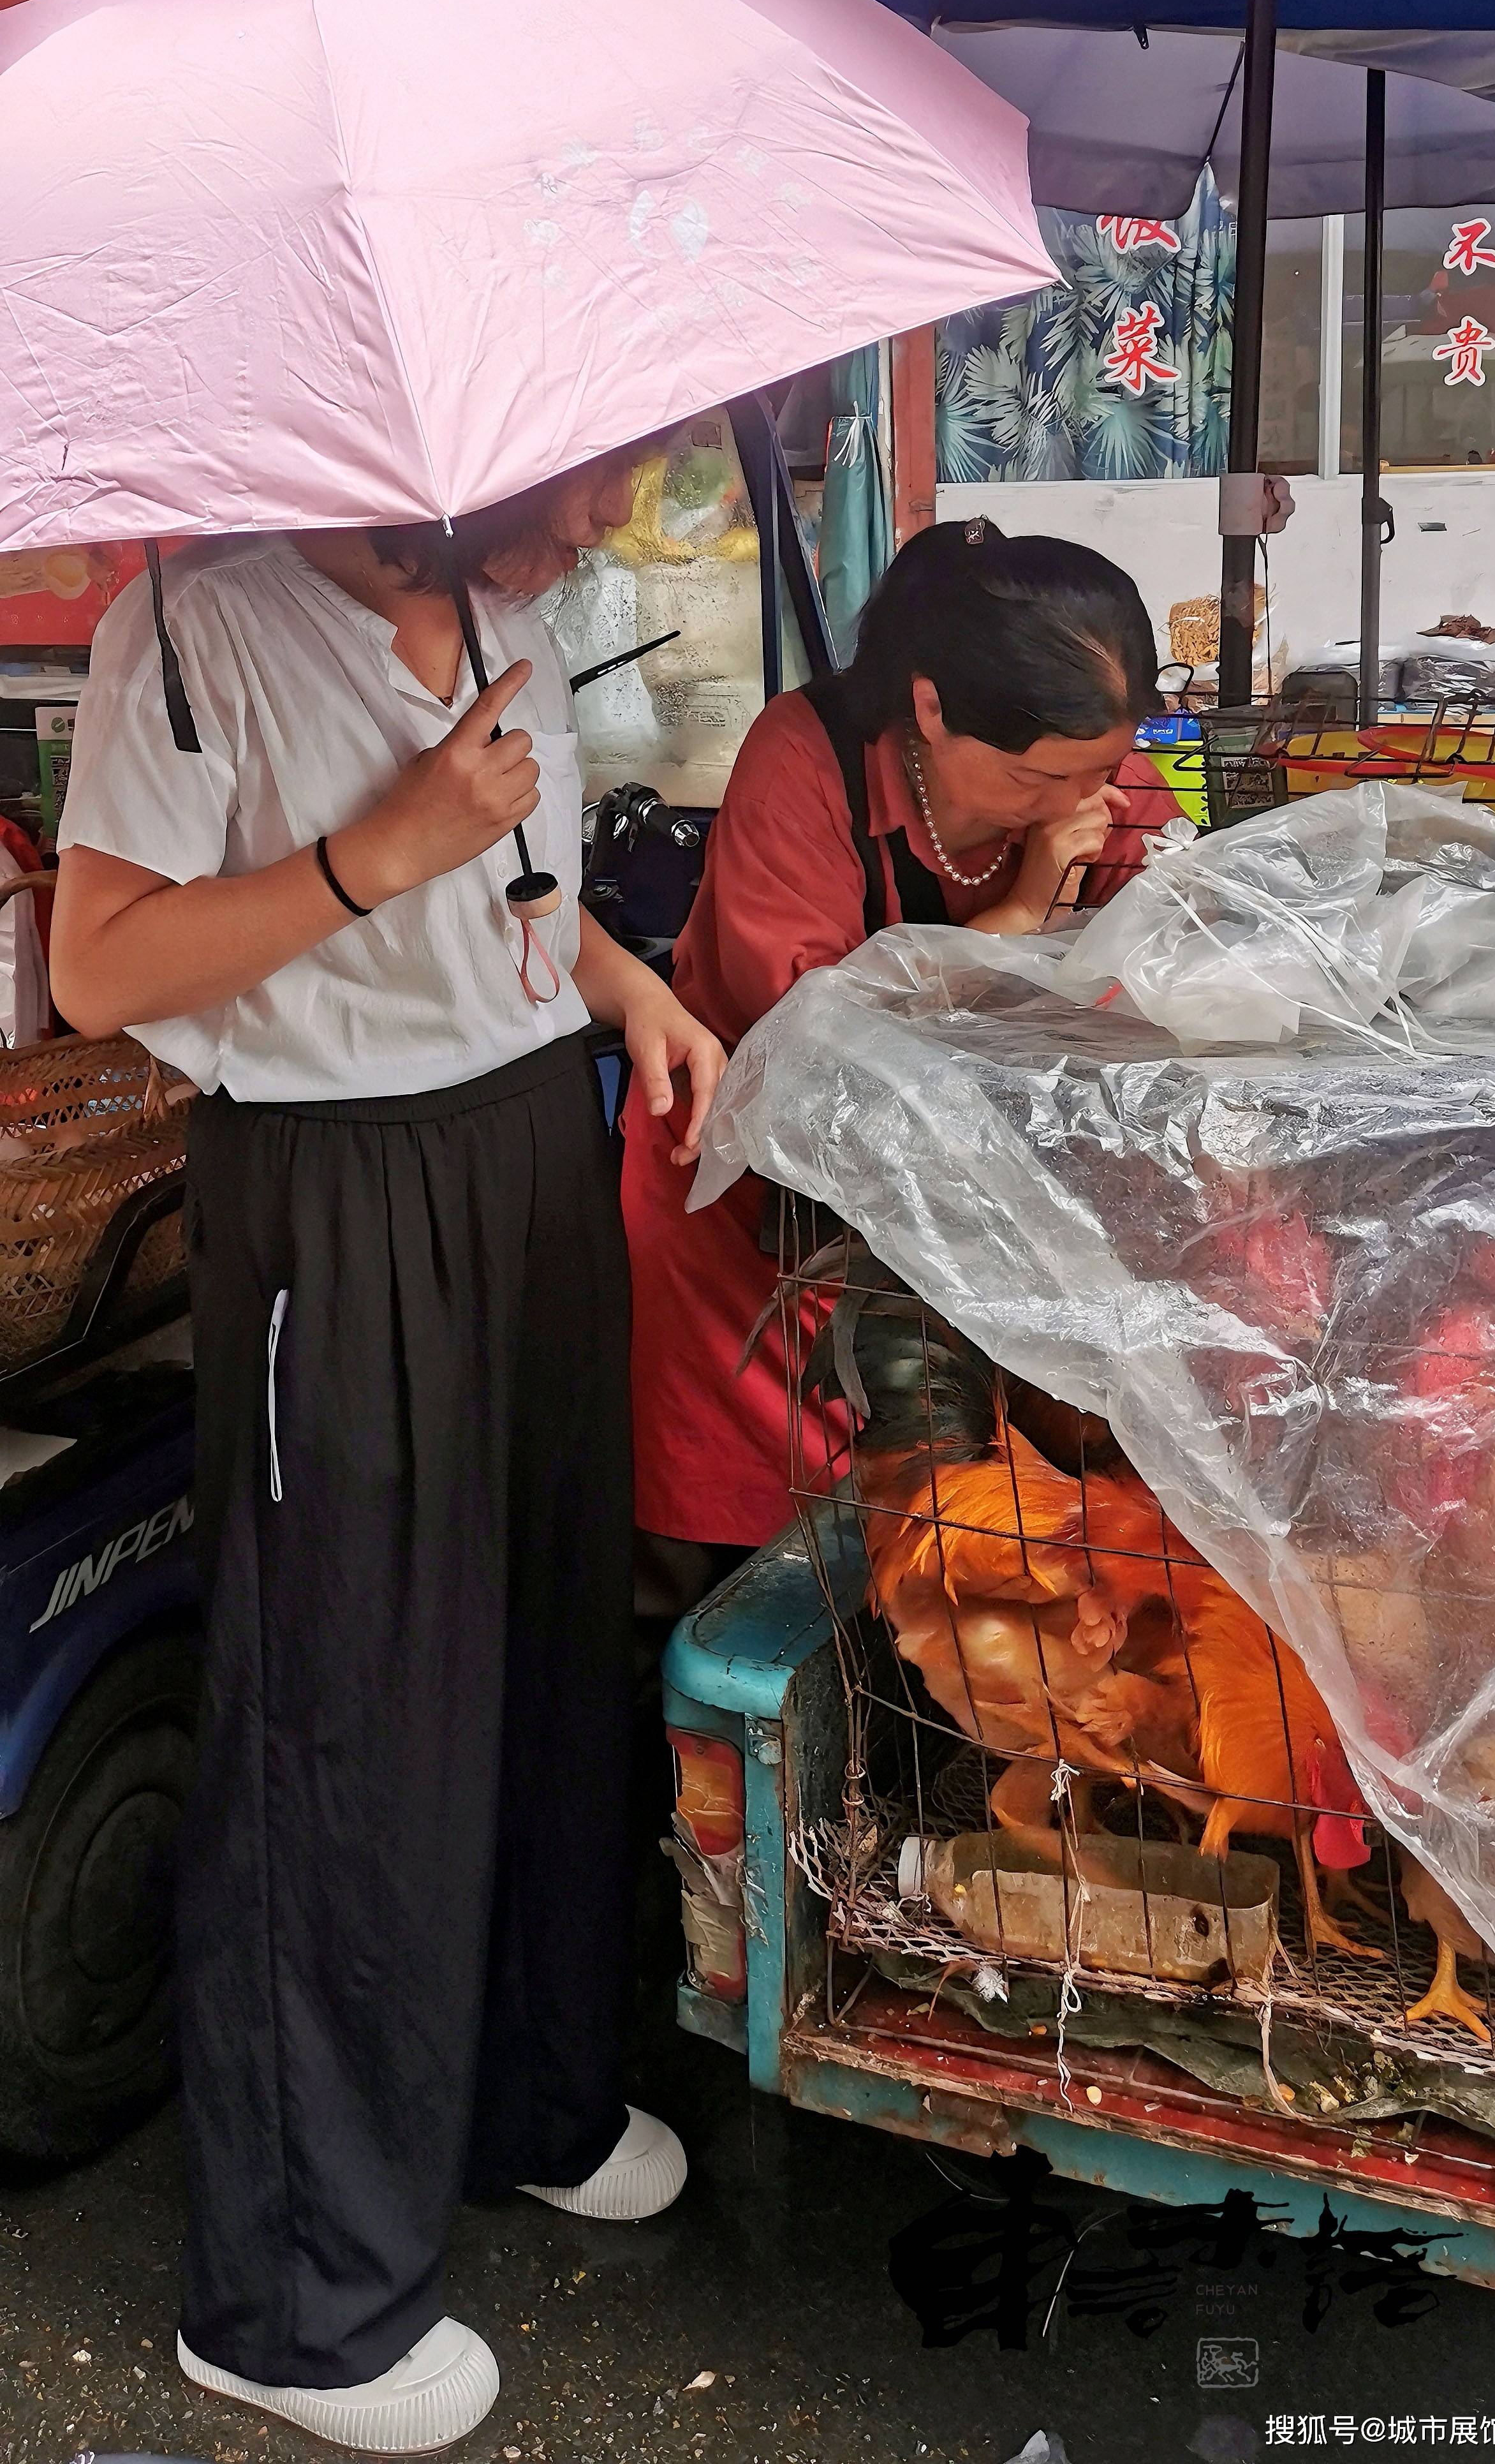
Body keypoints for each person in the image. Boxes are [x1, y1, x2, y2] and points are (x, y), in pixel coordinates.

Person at [49, 451, 725, 2457]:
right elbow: (101, 970)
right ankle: (292, 2297)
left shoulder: (508, 609)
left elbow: (516, 895)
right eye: (571, 491)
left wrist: (628, 987)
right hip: (334, 1195)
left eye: (617, 485)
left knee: (538, 1647)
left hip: (527, 1144)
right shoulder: (190, 627)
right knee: (346, 1711)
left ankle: (527, 2092)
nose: (596, 528)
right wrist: (379, 847)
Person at [622, 518, 1178, 1598]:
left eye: (1102, 770)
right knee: (770, 1540)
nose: (1080, 806)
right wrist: (1018, 919)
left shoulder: (1086, 769)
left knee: (979, 1533)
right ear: (930, 709)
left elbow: (1157, 964)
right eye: (1037, 778)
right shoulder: (806, 753)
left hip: (975, 1204)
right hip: (760, 1209)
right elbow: (811, 1027)